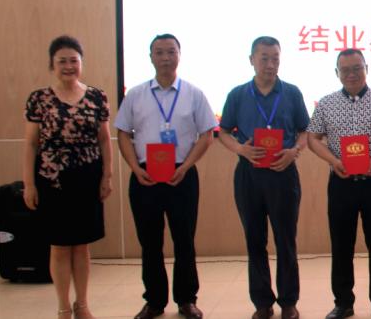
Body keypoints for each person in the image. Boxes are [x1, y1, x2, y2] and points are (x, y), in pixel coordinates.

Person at [115, 34, 217, 319]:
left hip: (181, 175)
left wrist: (186, 166)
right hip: (145, 176)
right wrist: (135, 168)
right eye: (159, 52)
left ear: (179, 56)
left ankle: (187, 300)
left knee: (184, 240)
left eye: (171, 52)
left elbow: (207, 134)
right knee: (150, 242)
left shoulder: (193, 94)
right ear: (151, 57)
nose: (165, 58)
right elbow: (122, 133)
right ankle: (154, 301)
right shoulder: (135, 95)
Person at [307, 49, 371, 319]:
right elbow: (312, 138)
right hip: (341, 183)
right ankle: (343, 303)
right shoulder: (326, 103)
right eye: (345, 69)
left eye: (357, 68)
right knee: (341, 244)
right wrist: (333, 160)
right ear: (336, 73)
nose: (352, 74)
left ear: (366, 68)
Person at [219, 36, 310, 319]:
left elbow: (305, 131)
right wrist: (240, 149)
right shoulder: (237, 94)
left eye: (275, 59)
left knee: (286, 240)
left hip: (283, 174)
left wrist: (294, 151)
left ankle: (288, 302)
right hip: (249, 175)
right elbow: (223, 132)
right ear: (252, 60)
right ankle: (262, 303)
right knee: (254, 240)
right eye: (264, 58)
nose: (270, 65)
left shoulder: (292, 93)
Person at [23, 35, 113, 319]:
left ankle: (82, 304)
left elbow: (104, 140)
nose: (68, 66)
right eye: (62, 61)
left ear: (81, 63)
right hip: (52, 179)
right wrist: (29, 184)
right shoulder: (39, 99)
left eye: (74, 60)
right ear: (52, 64)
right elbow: (31, 144)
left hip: (87, 178)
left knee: (82, 246)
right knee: (60, 246)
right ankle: (63, 306)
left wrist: (107, 175)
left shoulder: (97, 97)